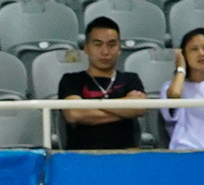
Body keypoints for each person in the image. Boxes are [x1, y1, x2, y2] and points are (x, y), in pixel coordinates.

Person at [59, 17, 151, 150]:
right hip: (83, 155)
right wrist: (125, 108)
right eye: (98, 44)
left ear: (119, 48)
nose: (105, 52)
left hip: (125, 154)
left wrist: (90, 107)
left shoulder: (130, 78)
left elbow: (139, 108)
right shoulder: (71, 80)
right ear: (86, 48)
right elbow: (75, 114)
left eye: (111, 45)